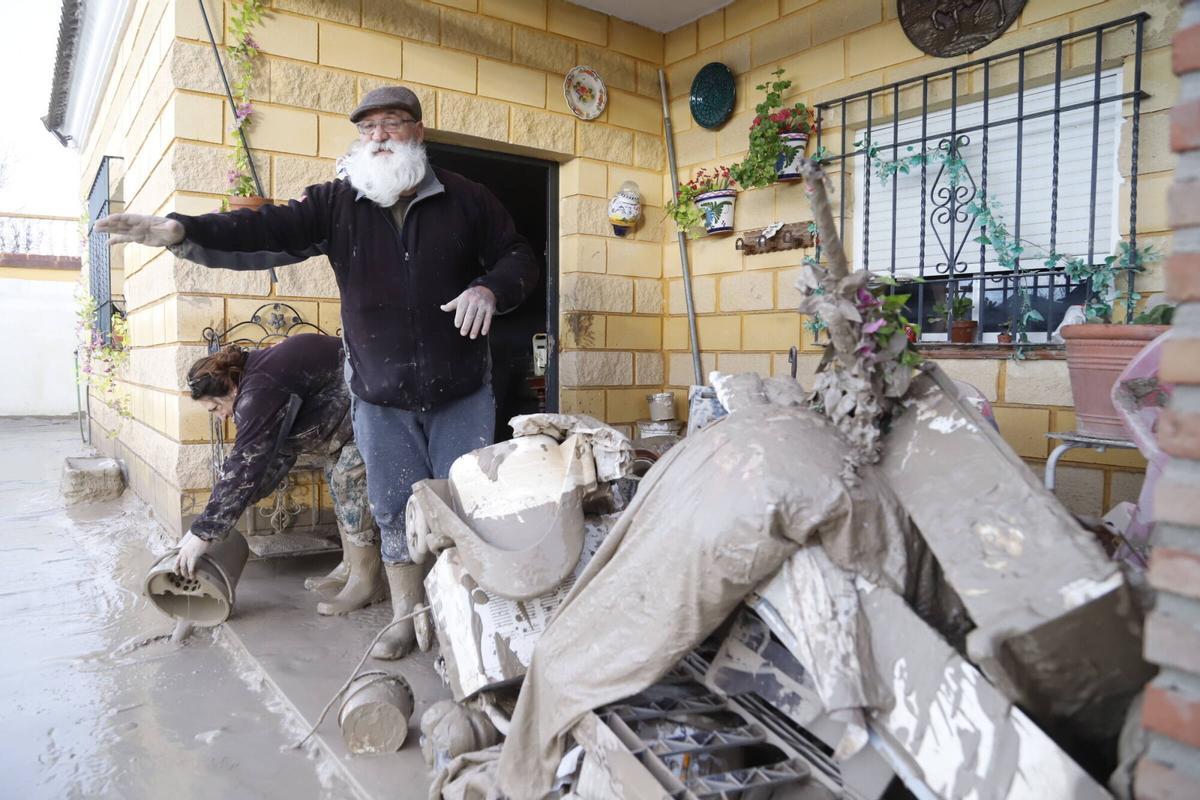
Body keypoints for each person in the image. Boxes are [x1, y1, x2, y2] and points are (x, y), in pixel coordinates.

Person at [96, 85, 539, 660]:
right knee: (392, 505)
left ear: (418, 132)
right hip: (380, 397)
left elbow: (520, 256)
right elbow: (267, 230)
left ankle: (464, 621)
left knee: (463, 505)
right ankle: (406, 618)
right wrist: (186, 232)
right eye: (369, 127)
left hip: (461, 389)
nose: (380, 136)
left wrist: (490, 287)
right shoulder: (338, 203)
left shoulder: (468, 198)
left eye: (393, 124)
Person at [179, 334, 385, 617]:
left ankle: (367, 581)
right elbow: (269, 460)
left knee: (350, 485)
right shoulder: (256, 380)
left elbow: (245, 465)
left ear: (229, 387)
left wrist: (204, 532)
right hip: (342, 423)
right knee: (339, 487)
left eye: (215, 408)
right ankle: (350, 567)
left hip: (371, 408)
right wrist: (228, 510)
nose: (220, 417)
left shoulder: (260, 388)